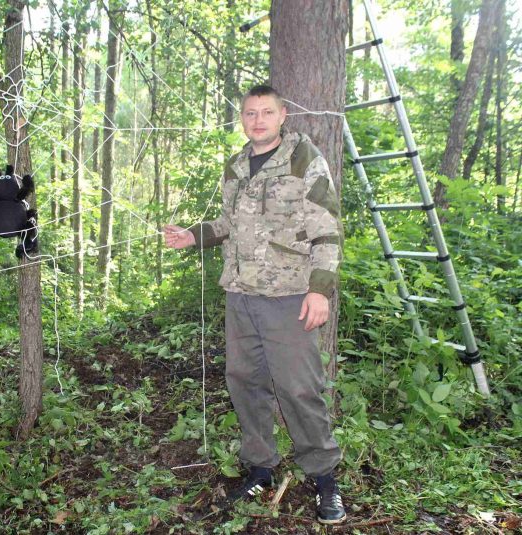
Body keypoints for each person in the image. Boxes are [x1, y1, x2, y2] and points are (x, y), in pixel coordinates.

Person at [164, 85, 346, 524]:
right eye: (250, 113)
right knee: (244, 382)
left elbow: (327, 228)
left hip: (290, 298)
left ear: (283, 115)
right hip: (241, 295)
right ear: (242, 119)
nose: (258, 120)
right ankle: (261, 467)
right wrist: (194, 235)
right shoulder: (237, 166)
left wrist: (320, 289)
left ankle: (324, 478)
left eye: (267, 112)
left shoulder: (305, 160)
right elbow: (230, 222)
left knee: (300, 389)